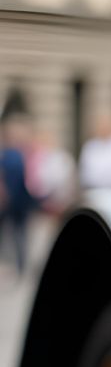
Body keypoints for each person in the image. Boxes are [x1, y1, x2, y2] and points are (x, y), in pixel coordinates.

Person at [0, 114, 38, 275]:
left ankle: (18, 265)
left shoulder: (16, 156)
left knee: (16, 235)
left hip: (16, 203)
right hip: (17, 202)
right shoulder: (17, 155)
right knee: (18, 235)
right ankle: (19, 266)